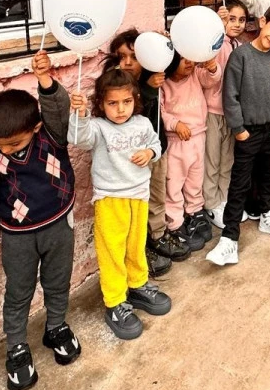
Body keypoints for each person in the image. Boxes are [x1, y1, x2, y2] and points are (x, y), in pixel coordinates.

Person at [0, 51, 79, 390]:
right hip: (18, 237)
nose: (6, 150)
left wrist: (45, 80)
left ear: (35, 128)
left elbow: (58, 108)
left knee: (57, 281)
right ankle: (17, 347)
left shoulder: (51, 135)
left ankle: (56, 326)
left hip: (59, 226)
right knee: (18, 292)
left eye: (14, 143)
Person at [69, 71, 172, 340]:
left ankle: (137, 284)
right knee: (112, 251)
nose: (120, 109)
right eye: (112, 103)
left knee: (136, 244)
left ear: (135, 99)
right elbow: (79, 139)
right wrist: (80, 114)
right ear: (101, 103)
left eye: (126, 101)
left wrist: (149, 152)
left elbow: (156, 143)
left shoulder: (142, 123)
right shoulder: (98, 127)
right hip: (110, 198)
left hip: (139, 195)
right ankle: (115, 302)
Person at [207, 1, 270, 265]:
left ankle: (268, 215)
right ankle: (229, 238)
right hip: (247, 132)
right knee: (240, 183)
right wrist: (238, 129)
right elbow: (230, 96)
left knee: (267, 176)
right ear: (262, 22)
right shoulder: (241, 56)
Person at [106, 30, 185, 271]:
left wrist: (167, 44)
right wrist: (148, 89)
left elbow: (174, 62)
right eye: (122, 57)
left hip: (155, 149)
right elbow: (130, 113)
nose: (127, 62)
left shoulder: (153, 72)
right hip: (131, 157)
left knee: (157, 195)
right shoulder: (115, 83)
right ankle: (139, 247)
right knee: (135, 204)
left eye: (134, 56)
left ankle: (158, 235)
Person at [161, 54, 219, 252]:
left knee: (195, 179)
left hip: (198, 136)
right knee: (174, 184)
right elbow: (161, 111)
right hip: (176, 141)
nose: (189, 62)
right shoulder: (164, 83)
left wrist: (212, 68)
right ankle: (175, 223)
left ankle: (195, 211)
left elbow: (212, 80)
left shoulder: (196, 74)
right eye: (182, 59)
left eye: (190, 58)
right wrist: (174, 124)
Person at [204, 0, 248, 229]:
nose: (237, 24)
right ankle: (211, 203)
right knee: (212, 160)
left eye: (242, 20)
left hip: (232, 113)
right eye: (232, 19)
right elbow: (208, 78)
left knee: (227, 160)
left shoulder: (240, 46)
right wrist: (217, 29)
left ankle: (224, 199)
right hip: (212, 111)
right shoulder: (215, 45)